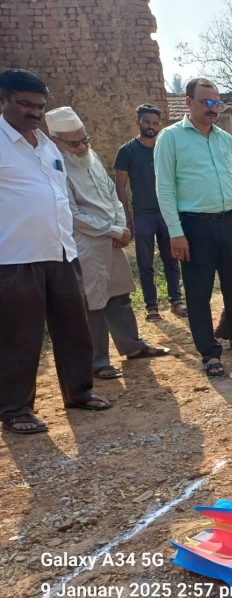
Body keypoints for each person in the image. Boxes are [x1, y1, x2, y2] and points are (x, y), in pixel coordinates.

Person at [0, 68, 111, 433]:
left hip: (62, 252)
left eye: (39, 106)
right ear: (3, 101)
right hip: (16, 256)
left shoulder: (47, 147)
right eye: (25, 104)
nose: (33, 112)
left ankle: (79, 392)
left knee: (73, 327)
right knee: (21, 335)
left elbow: (59, 196)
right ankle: (16, 409)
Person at [47, 106, 170, 380]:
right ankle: (98, 361)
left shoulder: (91, 158)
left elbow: (112, 193)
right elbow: (71, 213)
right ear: (56, 142)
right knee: (94, 302)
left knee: (120, 296)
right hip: (87, 244)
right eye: (74, 143)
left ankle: (133, 346)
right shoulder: (55, 168)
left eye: (85, 140)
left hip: (113, 238)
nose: (81, 147)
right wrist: (112, 230)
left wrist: (121, 226)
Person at [155, 78, 232, 377]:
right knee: (198, 292)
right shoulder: (171, 138)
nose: (213, 108)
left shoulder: (226, 140)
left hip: (228, 221)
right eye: (206, 102)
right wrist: (176, 231)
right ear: (189, 102)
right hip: (193, 226)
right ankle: (209, 352)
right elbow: (164, 188)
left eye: (216, 103)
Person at [115, 103, 185, 321]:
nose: (151, 126)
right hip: (142, 214)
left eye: (155, 123)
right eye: (147, 122)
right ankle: (151, 306)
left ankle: (176, 300)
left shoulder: (165, 149)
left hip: (167, 213)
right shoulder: (127, 151)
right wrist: (126, 218)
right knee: (145, 263)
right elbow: (120, 187)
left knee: (172, 258)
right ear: (138, 122)